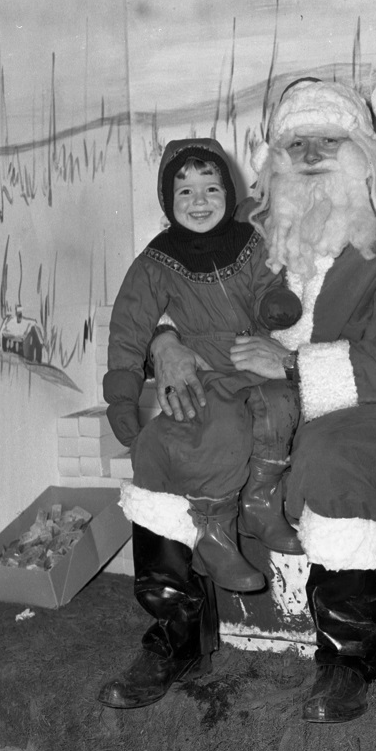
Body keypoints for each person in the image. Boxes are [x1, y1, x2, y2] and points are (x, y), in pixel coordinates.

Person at [147, 80, 376, 724]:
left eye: (329, 141)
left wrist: (291, 365)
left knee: (329, 456)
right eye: (296, 143)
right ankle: (175, 640)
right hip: (256, 388)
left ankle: (346, 661)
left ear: (364, 150)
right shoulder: (249, 231)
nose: (311, 155)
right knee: (171, 434)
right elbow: (175, 285)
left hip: (370, 398)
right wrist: (165, 342)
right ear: (276, 158)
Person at [97, 137, 303, 711]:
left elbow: (270, 289)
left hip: (264, 366)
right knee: (163, 444)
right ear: (167, 201)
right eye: (184, 191)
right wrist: (123, 392)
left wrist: (276, 308)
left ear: (230, 193)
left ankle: (248, 509)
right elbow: (129, 327)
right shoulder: (157, 260)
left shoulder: (254, 241)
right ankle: (177, 633)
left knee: (243, 424)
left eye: (211, 188)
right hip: (212, 372)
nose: (199, 200)